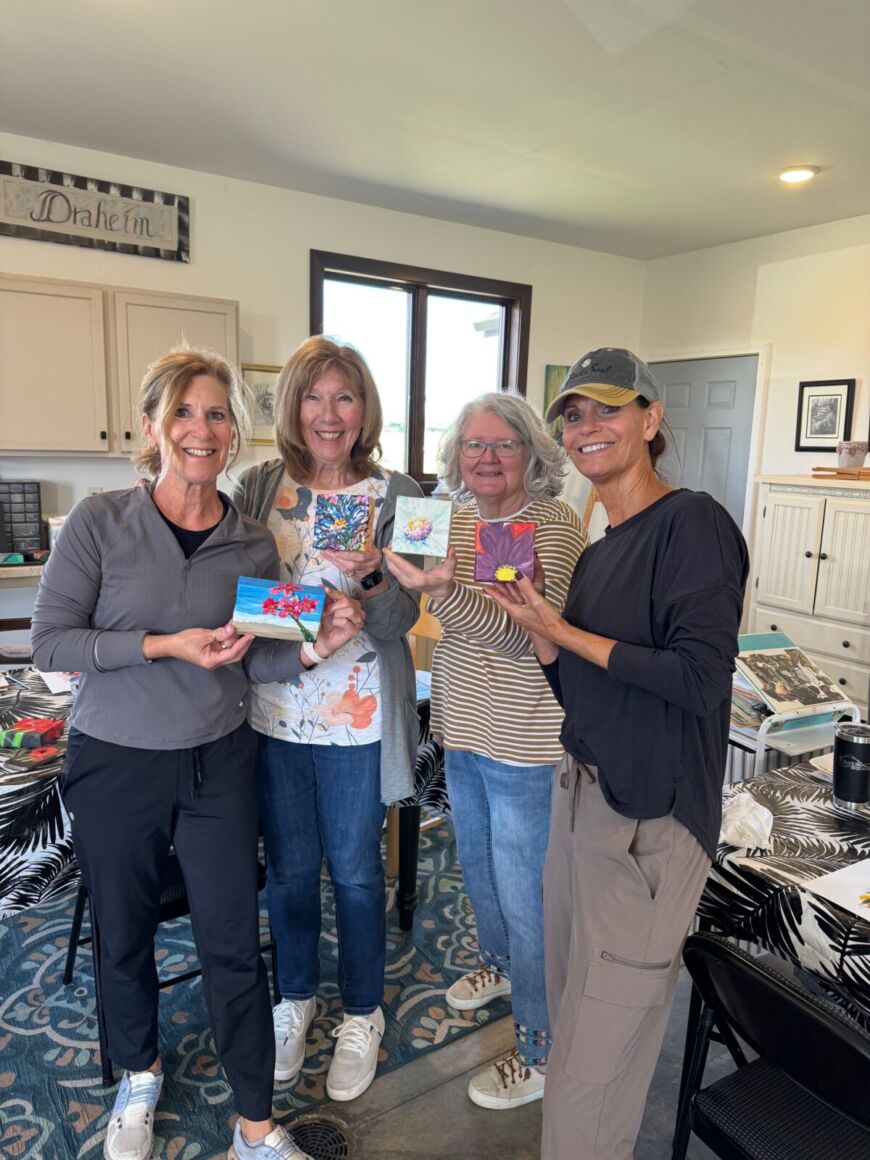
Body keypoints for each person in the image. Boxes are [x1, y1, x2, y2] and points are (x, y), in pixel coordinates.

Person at [31, 348, 364, 1160]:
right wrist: (162, 644)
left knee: (228, 939)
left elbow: (260, 655)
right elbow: (52, 640)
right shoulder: (99, 522)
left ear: (234, 432)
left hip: (219, 763)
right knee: (125, 930)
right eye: (183, 412)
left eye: (216, 414)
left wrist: (318, 649)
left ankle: (255, 1124)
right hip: (117, 761)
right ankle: (138, 1076)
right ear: (152, 426)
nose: (200, 429)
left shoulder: (251, 545)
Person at [487, 348, 749, 1159]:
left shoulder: (693, 524)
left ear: (650, 419)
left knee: (592, 1077)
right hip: (583, 803)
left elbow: (700, 681)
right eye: (572, 414)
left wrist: (565, 632)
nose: (586, 426)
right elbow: (591, 694)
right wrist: (544, 643)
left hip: (651, 825)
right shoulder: (602, 551)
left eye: (607, 408)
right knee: (577, 1033)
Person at [384, 393, 587, 1110]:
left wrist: (442, 592)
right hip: (465, 729)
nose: (488, 458)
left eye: (504, 445)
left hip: (525, 742)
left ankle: (540, 1047)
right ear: (455, 456)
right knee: (477, 870)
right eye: (474, 445)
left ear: (533, 453)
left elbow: (516, 634)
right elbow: (424, 611)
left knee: (529, 897)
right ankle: (498, 967)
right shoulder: (455, 519)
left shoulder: (549, 526)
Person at [234, 336, 422, 1103]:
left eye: (344, 397)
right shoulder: (257, 486)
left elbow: (407, 615)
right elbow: (239, 597)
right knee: (286, 872)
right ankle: (296, 998)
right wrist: (312, 615)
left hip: (359, 722)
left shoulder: (402, 492)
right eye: (313, 397)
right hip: (274, 713)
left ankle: (362, 1012)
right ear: (292, 408)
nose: (329, 414)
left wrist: (369, 585)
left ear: (365, 409)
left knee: (352, 873)